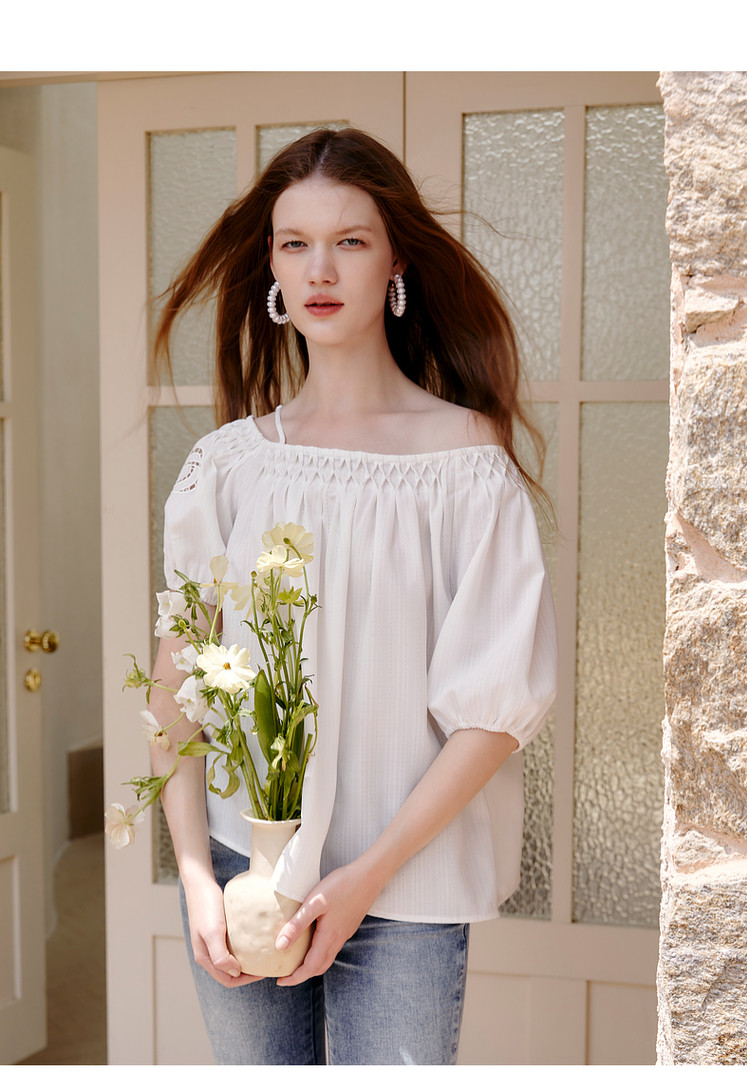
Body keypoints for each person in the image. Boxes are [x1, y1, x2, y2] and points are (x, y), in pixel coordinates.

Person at [147, 126, 557, 1065]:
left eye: (351, 241)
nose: (320, 269)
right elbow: (176, 686)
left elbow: (494, 713)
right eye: (296, 243)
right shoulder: (229, 466)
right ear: (272, 267)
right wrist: (196, 875)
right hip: (246, 874)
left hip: (405, 887)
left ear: (395, 261)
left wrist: (368, 876)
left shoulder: (467, 465)